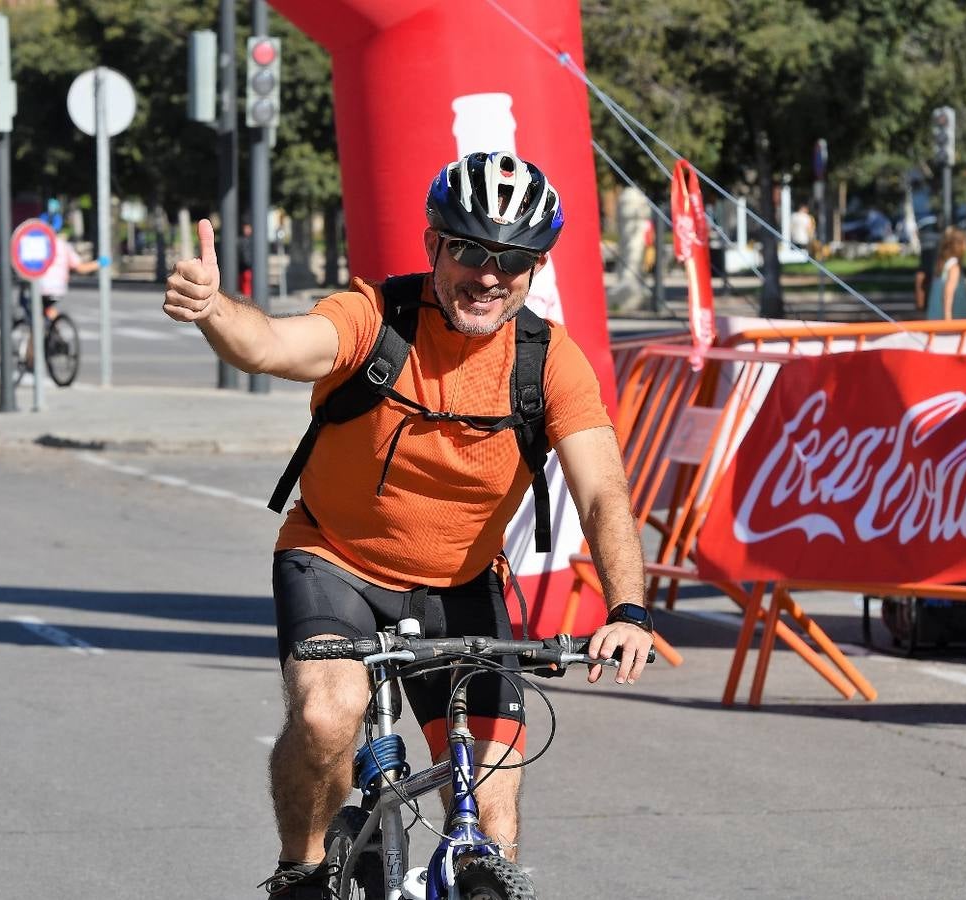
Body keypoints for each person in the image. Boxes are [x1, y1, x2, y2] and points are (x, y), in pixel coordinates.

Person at [164, 151, 653, 898]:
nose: (488, 275)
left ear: (535, 268)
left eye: (513, 259)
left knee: (493, 800)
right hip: (334, 561)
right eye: (468, 249)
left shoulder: (548, 361)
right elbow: (268, 345)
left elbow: (603, 494)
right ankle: (300, 871)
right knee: (330, 716)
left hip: (459, 582)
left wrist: (627, 609)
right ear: (433, 245)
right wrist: (213, 309)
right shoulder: (375, 318)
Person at [922, 227, 966, 320]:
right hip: (952, 316)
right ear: (959, 245)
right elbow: (948, 293)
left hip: (935, 315)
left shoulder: (942, 264)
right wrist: (948, 317)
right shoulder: (954, 267)